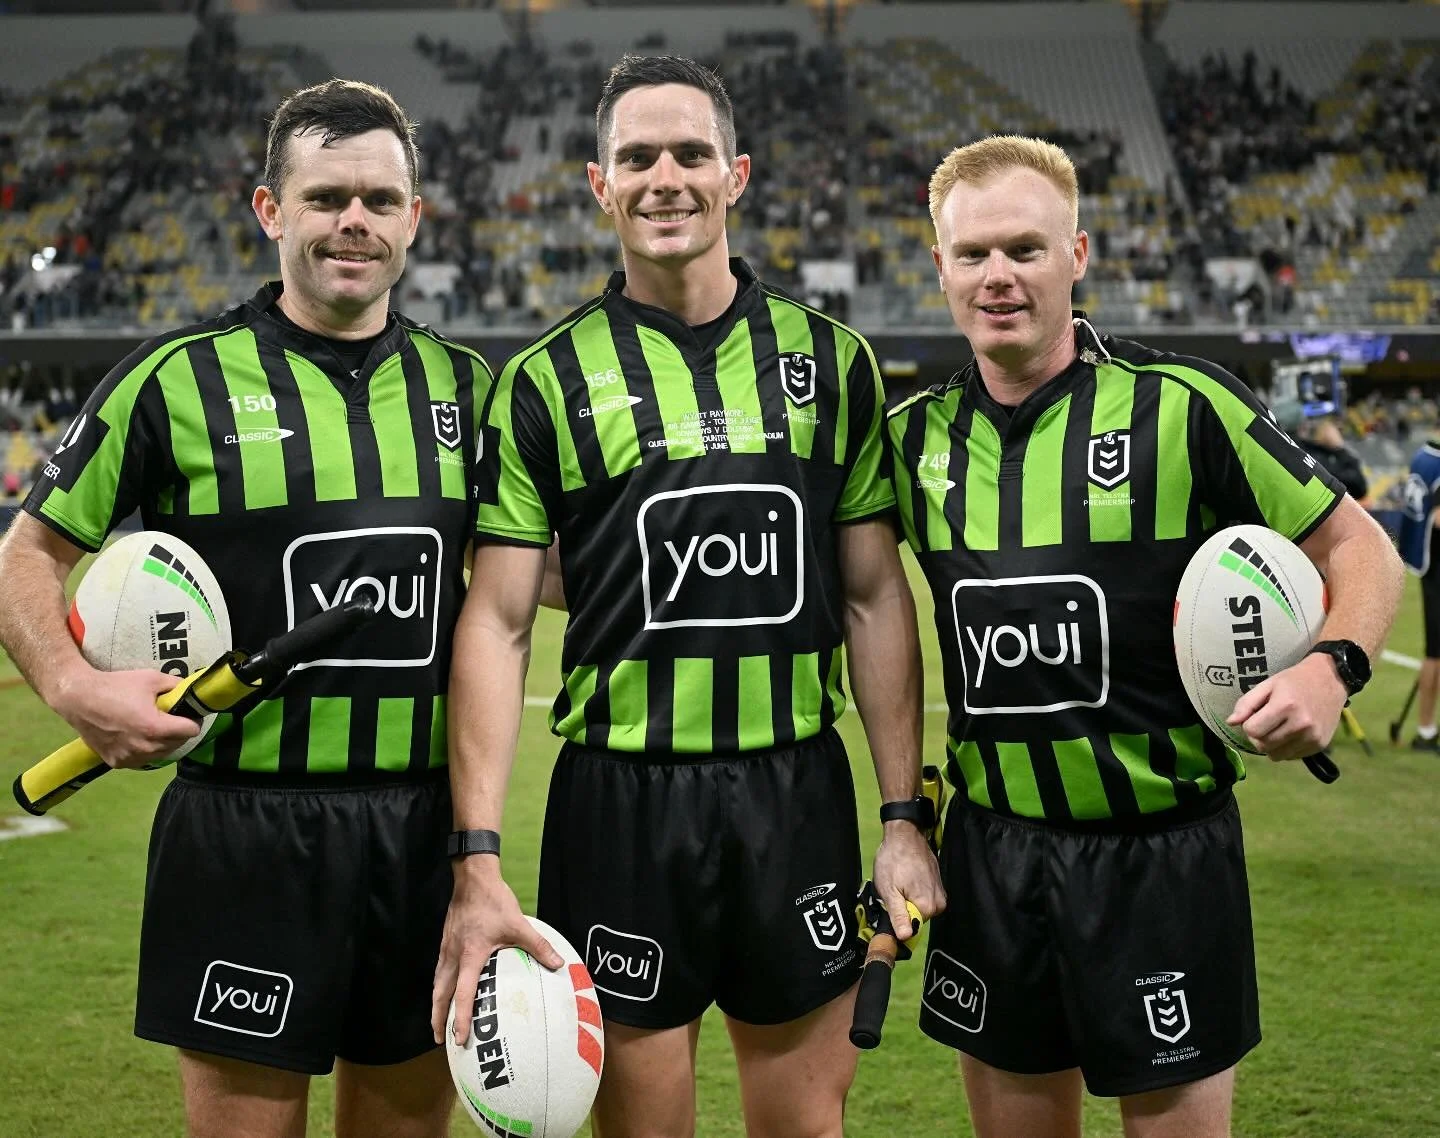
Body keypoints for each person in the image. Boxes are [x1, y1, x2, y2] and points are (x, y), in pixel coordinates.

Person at [431, 54, 944, 1138]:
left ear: (738, 173)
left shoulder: (832, 361)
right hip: (618, 805)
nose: (665, 176)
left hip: (795, 795)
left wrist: (903, 817)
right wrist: (477, 851)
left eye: (691, 153)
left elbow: (872, 598)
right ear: (598, 185)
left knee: (804, 1124)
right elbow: (501, 616)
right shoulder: (544, 380)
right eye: (636, 157)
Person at [886, 135, 1403, 1138]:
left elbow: (1359, 546)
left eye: (1026, 249)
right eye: (975, 253)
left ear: (1077, 256)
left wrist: (1334, 670)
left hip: (1162, 856)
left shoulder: (1185, 403)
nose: (1000, 276)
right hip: (992, 855)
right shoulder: (910, 440)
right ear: (940, 266)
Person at [0, 80, 489, 1138]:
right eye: (325, 198)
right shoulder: (176, 381)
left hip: (421, 830)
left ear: (415, 217)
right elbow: (26, 554)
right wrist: (75, 687)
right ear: (271, 211)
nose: (353, 221)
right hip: (242, 831)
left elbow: (526, 580)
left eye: (378, 198)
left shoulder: (469, 390)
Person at [1398, 431, 1440, 750]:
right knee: (1434, 655)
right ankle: (1425, 732)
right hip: (1437, 568)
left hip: (1430, 567)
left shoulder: (1423, 455)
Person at [1271, 399, 1368, 500]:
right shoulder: (1310, 457)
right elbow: (1359, 488)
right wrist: (1339, 449)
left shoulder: (1271, 452)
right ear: (1303, 425)